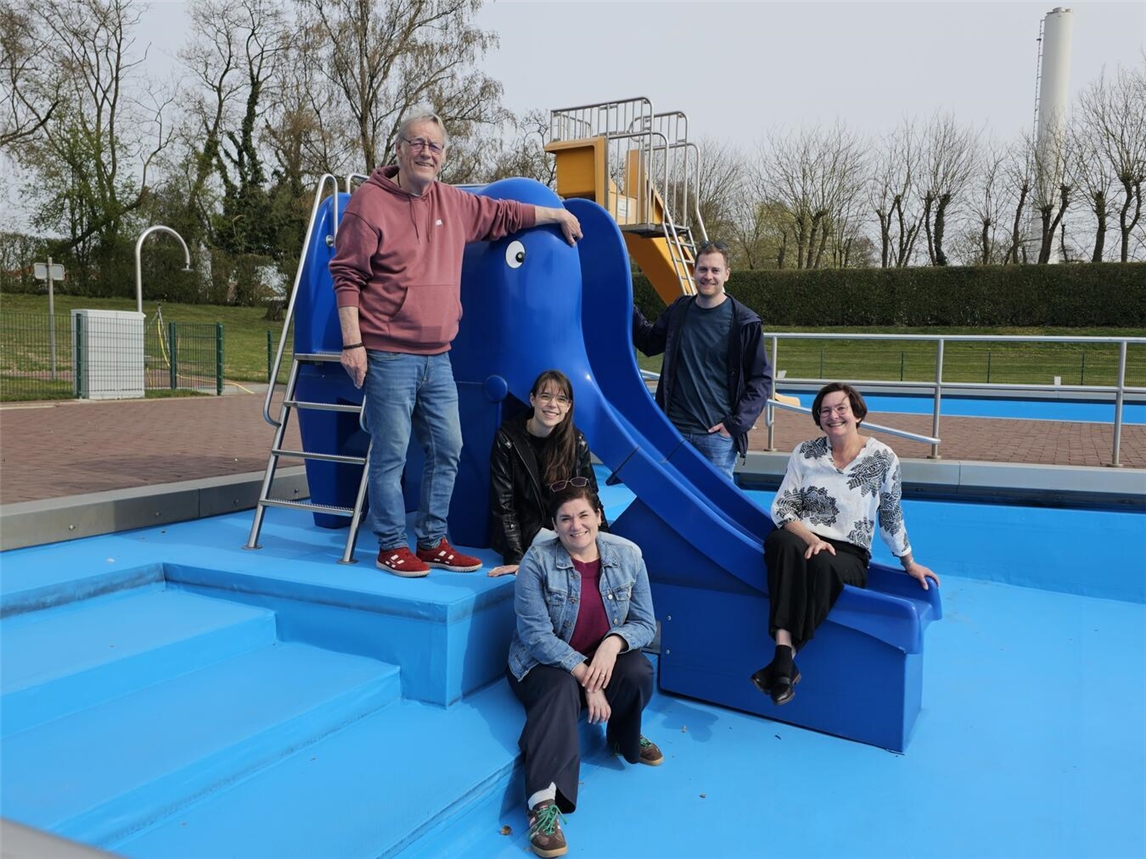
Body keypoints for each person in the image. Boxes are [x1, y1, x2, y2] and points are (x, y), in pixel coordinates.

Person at [330, 107, 583, 578]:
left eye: (435, 146)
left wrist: (557, 214)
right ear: (399, 149)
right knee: (391, 454)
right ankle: (391, 545)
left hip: (438, 356)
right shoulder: (369, 203)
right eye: (417, 143)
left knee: (449, 448)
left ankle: (431, 540)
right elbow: (347, 275)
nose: (426, 152)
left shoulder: (453, 203)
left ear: (443, 156)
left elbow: (506, 213)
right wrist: (352, 343)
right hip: (389, 352)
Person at [751, 382, 940, 706]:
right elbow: (782, 508)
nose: (833, 416)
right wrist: (811, 538)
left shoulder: (883, 458)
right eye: (825, 410)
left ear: (857, 414)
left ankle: (782, 661)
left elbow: (890, 515)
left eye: (841, 408)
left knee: (823, 565)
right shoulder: (805, 452)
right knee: (781, 543)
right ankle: (784, 658)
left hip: (849, 552)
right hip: (803, 537)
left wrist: (908, 562)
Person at [507, 482, 661, 858]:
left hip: (599, 655)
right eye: (565, 519)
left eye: (583, 515)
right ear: (554, 525)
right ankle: (542, 803)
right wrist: (586, 677)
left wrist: (612, 644)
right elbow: (535, 636)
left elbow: (644, 623)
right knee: (560, 689)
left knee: (638, 671)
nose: (576, 526)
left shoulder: (628, 556)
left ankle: (623, 736)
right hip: (543, 661)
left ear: (598, 516)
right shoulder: (537, 562)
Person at [631, 240, 773, 480]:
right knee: (666, 497)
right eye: (703, 269)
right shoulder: (679, 311)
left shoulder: (744, 322)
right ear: (694, 272)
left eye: (715, 270)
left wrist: (735, 425)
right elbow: (648, 342)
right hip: (673, 431)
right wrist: (624, 302)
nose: (708, 276)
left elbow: (761, 379)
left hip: (717, 439)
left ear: (726, 274)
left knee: (714, 502)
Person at [488, 370, 604, 578]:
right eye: (545, 396)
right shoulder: (508, 440)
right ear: (533, 399)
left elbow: (591, 495)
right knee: (569, 559)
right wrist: (516, 557)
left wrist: (603, 540)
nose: (553, 404)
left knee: (629, 551)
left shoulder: (576, 440)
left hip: (568, 524)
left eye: (561, 399)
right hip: (530, 529)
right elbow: (503, 504)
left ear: (568, 406)